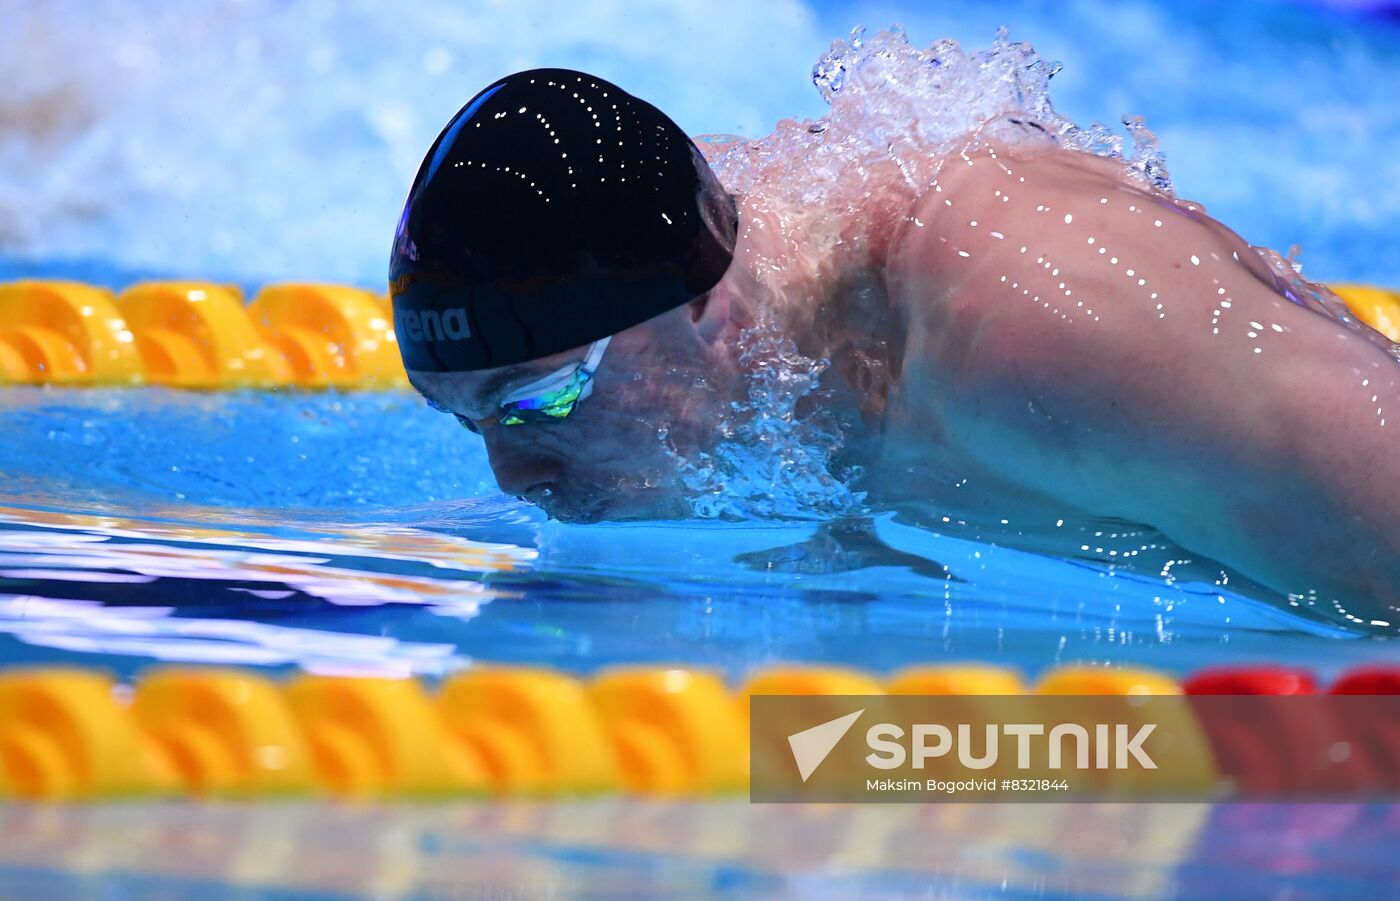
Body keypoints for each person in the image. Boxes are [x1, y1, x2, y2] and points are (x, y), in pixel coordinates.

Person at [391, 68, 1399, 626]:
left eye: (540, 400)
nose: (512, 472)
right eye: (467, 415)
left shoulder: (1033, 335)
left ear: (702, 310)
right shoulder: (738, 279)